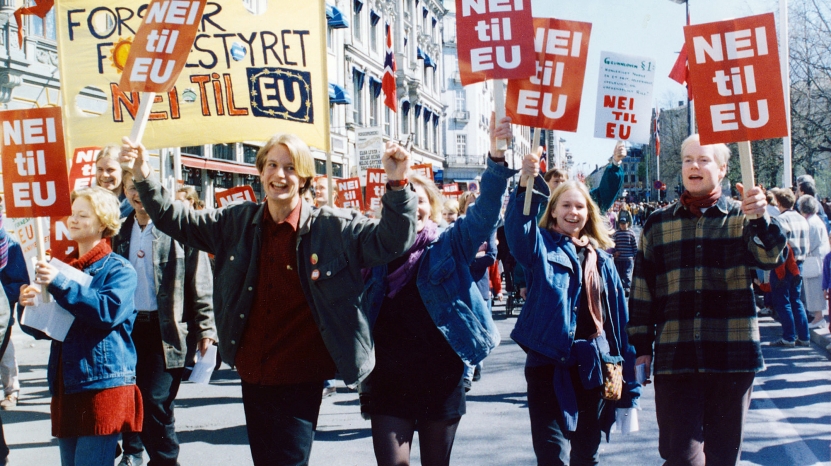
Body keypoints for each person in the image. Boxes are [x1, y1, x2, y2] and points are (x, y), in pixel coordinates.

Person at [120, 133, 417, 466]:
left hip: (302, 375)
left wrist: (397, 182)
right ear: (260, 172)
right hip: (253, 371)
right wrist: (144, 174)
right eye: (272, 165)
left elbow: (393, 241)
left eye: (291, 168)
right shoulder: (236, 221)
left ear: (305, 177)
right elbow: (179, 220)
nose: (280, 175)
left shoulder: (334, 228)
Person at [361, 116, 512, 466]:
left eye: (420, 200)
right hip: (387, 378)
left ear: (433, 206)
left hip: (440, 376)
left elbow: (487, 212)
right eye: (403, 200)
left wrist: (495, 157)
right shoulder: (370, 249)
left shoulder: (449, 244)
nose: (412, 208)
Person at [628, 134, 786, 466]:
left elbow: (771, 256)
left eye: (703, 159)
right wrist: (641, 347)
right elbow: (643, 289)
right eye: (688, 160)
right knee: (682, 458)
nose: (694, 166)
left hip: (733, 356)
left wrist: (760, 217)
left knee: (722, 458)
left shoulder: (743, 218)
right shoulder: (657, 224)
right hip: (676, 357)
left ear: (723, 169)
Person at [506, 162, 637, 465]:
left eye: (580, 206)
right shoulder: (539, 248)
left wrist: (630, 384)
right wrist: (525, 186)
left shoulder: (603, 261)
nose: (573, 212)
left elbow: (619, 324)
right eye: (565, 205)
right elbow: (517, 231)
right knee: (552, 456)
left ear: (589, 213)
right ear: (552, 210)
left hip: (593, 368)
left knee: (586, 454)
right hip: (547, 367)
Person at [19, 186, 142, 466]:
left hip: (101, 388)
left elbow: (106, 311)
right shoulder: (63, 268)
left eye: (83, 216)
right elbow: (42, 329)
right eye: (72, 214)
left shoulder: (120, 270)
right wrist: (27, 304)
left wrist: (60, 284)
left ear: (103, 222)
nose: (73, 220)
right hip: (68, 384)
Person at [114, 169, 217, 466]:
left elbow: (200, 281)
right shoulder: (119, 231)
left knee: (156, 401)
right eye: (132, 188)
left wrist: (205, 328)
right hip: (128, 330)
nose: (139, 194)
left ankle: (165, 460)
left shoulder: (178, 229)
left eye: (145, 187)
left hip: (167, 331)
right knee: (132, 399)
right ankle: (137, 453)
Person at [769, 188, 811, 347]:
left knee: (783, 300)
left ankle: (788, 336)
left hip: (785, 263)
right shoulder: (802, 219)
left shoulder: (781, 219)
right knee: (796, 300)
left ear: (778, 202)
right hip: (799, 264)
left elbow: (779, 244)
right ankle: (804, 336)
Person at [0, 209, 28, 411]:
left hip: (2, 314)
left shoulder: (11, 246)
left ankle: (11, 391)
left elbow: (19, 283)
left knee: (5, 353)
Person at [797, 195, 831, 329]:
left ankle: (818, 318)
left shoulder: (811, 223)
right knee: (814, 289)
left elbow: (808, 244)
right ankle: (817, 317)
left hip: (814, 260)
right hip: (818, 258)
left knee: (815, 289)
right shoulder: (815, 220)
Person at [95, 145, 134, 218]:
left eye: (110, 170)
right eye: (100, 169)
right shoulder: (91, 203)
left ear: (123, 171)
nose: (104, 175)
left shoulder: (133, 205)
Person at [611, 217, 637, 294]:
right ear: (619, 224)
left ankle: (627, 289)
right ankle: (619, 288)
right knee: (618, 274)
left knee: (627, 274)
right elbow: (612, 245)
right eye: (621, 224)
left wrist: (635, 256)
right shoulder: (616, 234)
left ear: (627, 223)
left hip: (628, 258)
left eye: (624, 224)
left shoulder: (631, 233)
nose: (623, 225)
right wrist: (614, 253)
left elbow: (634, 246)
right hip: (618, 258)